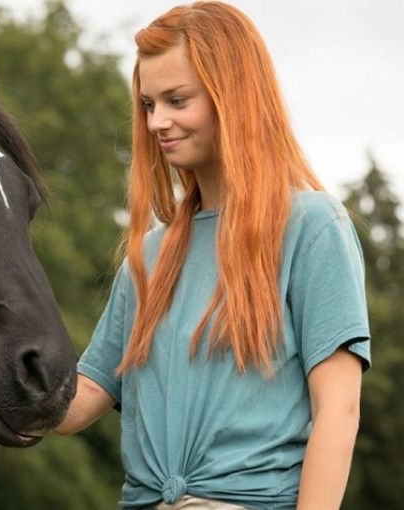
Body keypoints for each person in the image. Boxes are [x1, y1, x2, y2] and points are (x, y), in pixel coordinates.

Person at [55, 2, 370, 509]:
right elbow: (78, 401)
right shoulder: (150, 254)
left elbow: (339, 411)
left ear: (234, 96)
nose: (157, 122)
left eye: (177, 100)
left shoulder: (312, 227)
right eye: (148, 104)